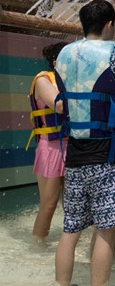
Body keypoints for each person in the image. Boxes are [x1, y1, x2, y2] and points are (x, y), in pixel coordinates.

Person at [53, 0, 115, 286]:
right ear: (109, 24)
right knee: (106, 228)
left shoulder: (64, 53)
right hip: (108, 154)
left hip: (74, 153)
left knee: (70, 228)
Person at [27, 41, 67, 241]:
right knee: (49, 204)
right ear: (56, 61)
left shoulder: (70, 80)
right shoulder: (43, 80)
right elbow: (59, 106)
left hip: (72, 146)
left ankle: (68, 244)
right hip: (51, 148)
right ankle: (38, 246)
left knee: (72, 204)